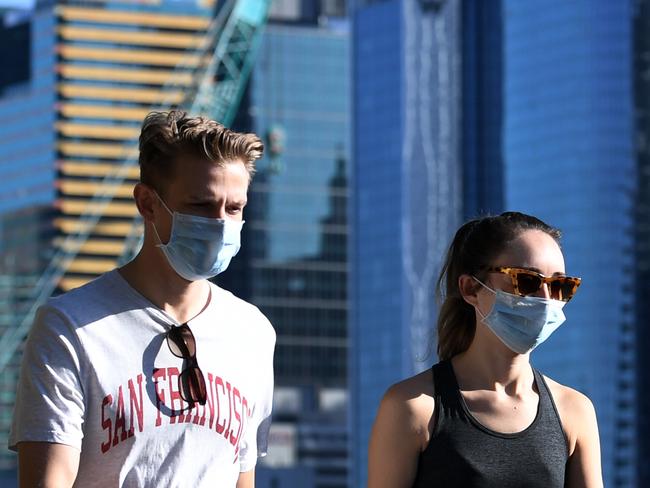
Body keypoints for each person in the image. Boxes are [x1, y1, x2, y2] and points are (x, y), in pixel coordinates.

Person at [10, 111, 276, 487]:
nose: (220, 224)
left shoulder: (253, 332)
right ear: (148, 203)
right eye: (201, 205)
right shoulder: (70, 326)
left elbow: (241, 477)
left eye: (234, 209)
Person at [368, 212, 603, 488]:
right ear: (470, 288)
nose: (547, 300)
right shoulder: (414, 407)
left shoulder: (573, 410)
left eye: (560, 286)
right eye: (527, 282)